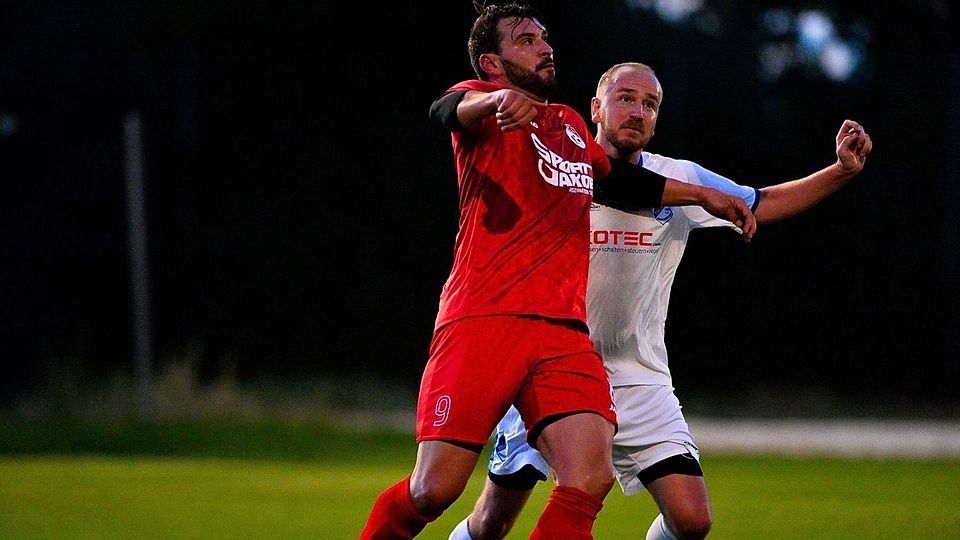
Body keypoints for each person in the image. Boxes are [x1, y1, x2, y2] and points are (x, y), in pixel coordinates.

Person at [358, 4, 758, 538]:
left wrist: (703, 195)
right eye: (526, 40)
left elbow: (622, 183)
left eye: (545, 38)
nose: (546, 48)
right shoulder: (484, 108)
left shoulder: (569, 125)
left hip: (563, 336)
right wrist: (493, 100)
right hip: (485, 320)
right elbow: (444, 109)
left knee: (588, 479)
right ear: (492, 63)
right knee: (435, 491)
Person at [448, 62, 872, 540]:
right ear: (596, 109)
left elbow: (761, 203)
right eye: (626, 98)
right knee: (491, 524)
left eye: (650, 104)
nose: (638, 111)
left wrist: (840, 171)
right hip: (550, 368)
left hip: (639, 377)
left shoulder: (679, 176)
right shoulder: (560, 170)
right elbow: (602, 184)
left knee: (691, 520)